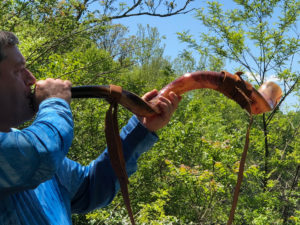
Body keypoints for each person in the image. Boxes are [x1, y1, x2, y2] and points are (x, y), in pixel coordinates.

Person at [0, 31, 181, 224]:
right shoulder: (34, 150)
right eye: (19, 71)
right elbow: (43, 154)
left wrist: (140, 128)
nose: (32, 80)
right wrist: (54, 102)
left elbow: (90, 187)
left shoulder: (23, 142)